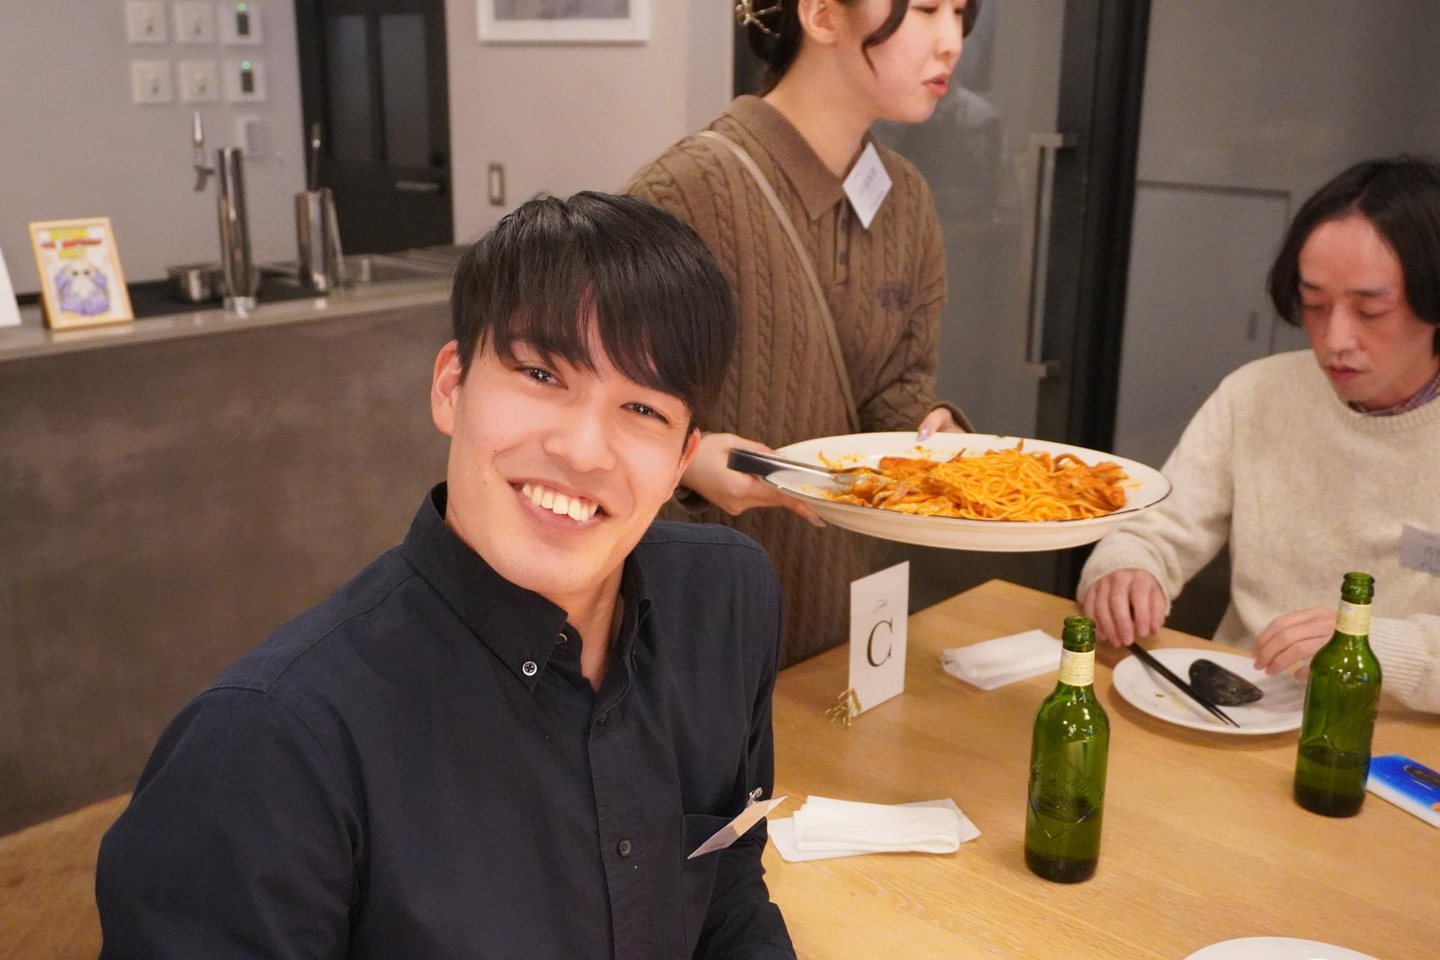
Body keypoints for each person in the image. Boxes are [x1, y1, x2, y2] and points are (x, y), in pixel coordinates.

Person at [96, 193, 797, 959]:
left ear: (681, 459)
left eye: (642, 409)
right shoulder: (266, 748)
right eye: (541, 373)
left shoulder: (727, 601)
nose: (583, 450)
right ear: (450, 386)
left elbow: (726, 884)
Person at [626, 0, 979, 665]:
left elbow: (897, 387)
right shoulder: (681, 193)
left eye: (960, 12)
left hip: (845, 616)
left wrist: (929, 430)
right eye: (927, 8)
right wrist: (688, 463)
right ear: (821, 15)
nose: (951, 40)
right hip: (694, 631)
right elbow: (600, 412)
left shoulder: (905, 198)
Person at [1079, 157, 1440, 712]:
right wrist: (1125, 568)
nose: (1335, 340)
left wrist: (1371, 647)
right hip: (1240, 706)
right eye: (1314, 305)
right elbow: (1157, 529)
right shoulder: (1257, 394)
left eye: (1370, 311)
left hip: (1399, 736)